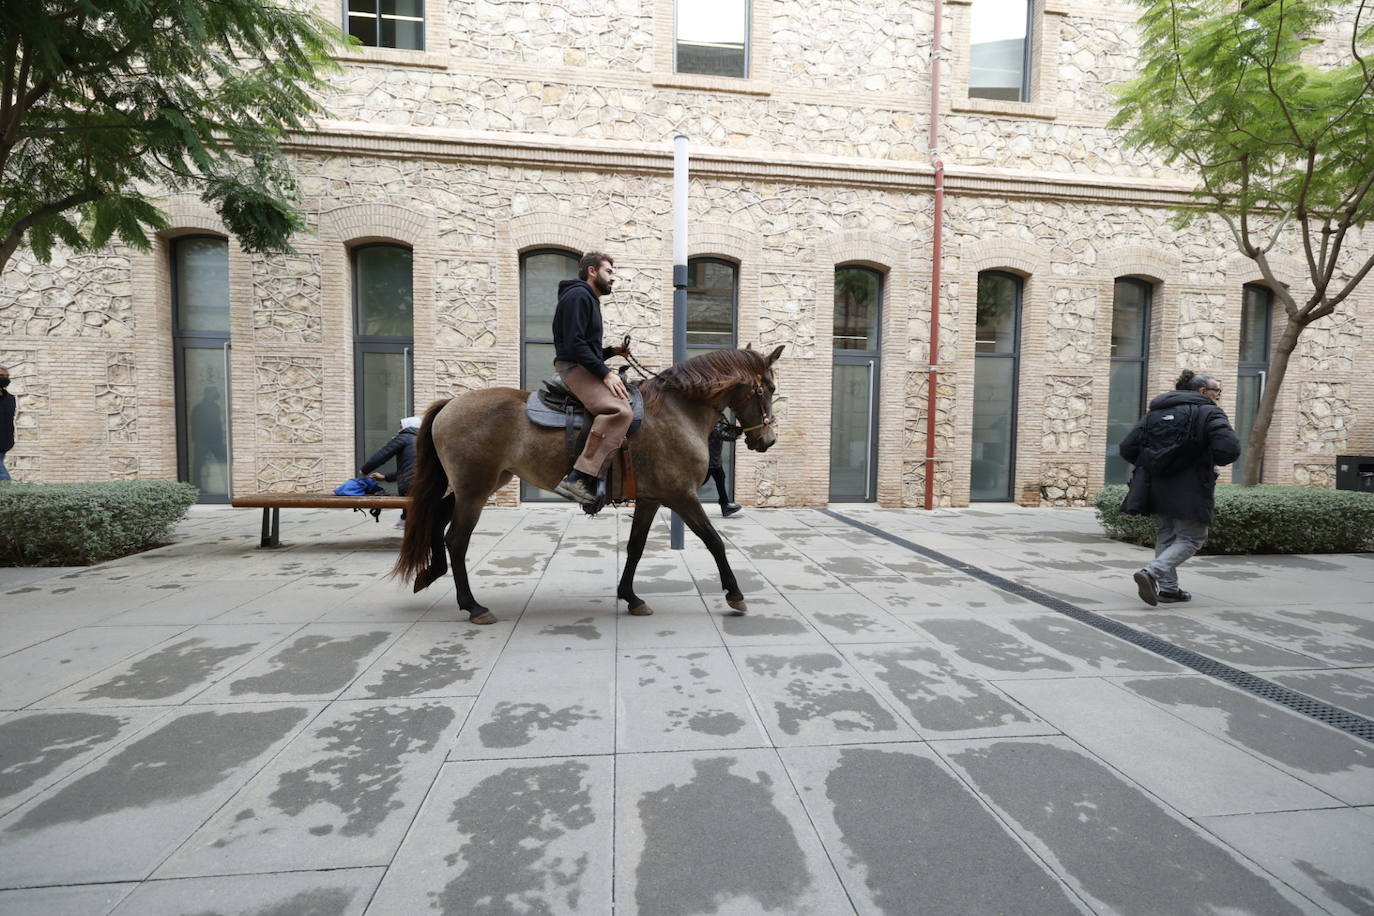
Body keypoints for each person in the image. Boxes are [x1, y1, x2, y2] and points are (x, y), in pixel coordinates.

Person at [1119, 369, 1241, 606]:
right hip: (1191, 486)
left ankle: (1169, 590)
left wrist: (1154, 463)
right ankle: (1152, 572)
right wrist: (1206, 460)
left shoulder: (1155, 414)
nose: (1219, 396)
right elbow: (1229, 449)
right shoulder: (1209, 412)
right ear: (1203, 391)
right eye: (1218, 391)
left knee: (1167, 535)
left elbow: (1127, 448)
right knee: (1192, 537)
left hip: (1155, 486)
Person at [551, 251, 631, 504]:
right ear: (592, 271)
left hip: (581, 365)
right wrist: (606, 374)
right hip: (573, 368)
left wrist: (611, 352)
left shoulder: (588, 298)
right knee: (621, 411)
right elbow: (574, 345)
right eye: (609, 272)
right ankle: (578, 477)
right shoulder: (578, 296)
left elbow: (585, 346)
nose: (613, 278)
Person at [361, 416, 421, 529]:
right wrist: (385, 477)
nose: (398, 429)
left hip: (410, 484)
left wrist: (364, 469)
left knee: (410, 504)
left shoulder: (404, 437)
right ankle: (404, 521)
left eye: (400, 426)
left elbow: (383, 454)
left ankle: (405, 523)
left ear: (407, 426)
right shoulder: (422, 440)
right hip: (422, 482)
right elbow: (408, 470)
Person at [704, 417, 742, 517]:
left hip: (713, 461)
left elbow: (722, 429)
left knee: (720, 479)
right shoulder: (712, 423)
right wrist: (735, 437)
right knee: (704, 481)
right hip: (711, 461)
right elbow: (719, 433)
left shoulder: (715, 421)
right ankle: (725, 507)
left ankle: (725, 507)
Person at [0, 365, 13, 482]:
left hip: (4, 443)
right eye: (1, 376)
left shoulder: (10, 399)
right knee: (3, 476)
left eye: (7, 376)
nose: (5, 378)